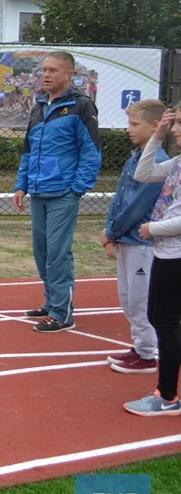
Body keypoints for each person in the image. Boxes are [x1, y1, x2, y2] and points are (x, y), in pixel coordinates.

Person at [13, 51, 101, 332]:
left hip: (63, 193)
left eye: (53, 70)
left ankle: (63, 314)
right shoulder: (38, 106)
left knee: (58, 253)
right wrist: (21, 185)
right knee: (42, 252)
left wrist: (77, 189)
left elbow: (91, 153)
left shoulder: (81, 106)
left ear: (69, 75)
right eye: (44, 70)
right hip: (38, 192)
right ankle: (51, 303)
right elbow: (28, 151)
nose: (46, 75)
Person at [100, 100, 170, 374]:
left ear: (155, 126)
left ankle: (146, 353)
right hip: (128, 238)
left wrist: (112, 231)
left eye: (134, 124)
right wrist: (112, 231)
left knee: (140, 299)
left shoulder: (159, 162)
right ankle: (140, 345)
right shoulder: (135, 156)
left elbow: (139, 204)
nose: (128, 129)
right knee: (127, 295)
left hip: (143, 242)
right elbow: (120, 197)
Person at [124, 106, 181, 416]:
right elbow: (142, 173)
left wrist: (152, 228)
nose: (175, 129)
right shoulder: (177, 163)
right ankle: (167, 392)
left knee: (167, 322)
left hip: (176, 253)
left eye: (179, 124)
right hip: (166, 251)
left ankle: (168, 395)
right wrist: (157, 135)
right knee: (159, 317)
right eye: (174, 123)